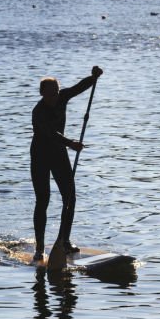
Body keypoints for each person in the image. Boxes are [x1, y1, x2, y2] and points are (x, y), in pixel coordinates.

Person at [30, 65, 103, 263]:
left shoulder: (62, 97)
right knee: (42, 200)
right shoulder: (38, 112)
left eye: (56, 92)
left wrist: (93, 77)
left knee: (70, 197)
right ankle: (39, 249)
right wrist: (70, 143)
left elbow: (79, 87)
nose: (55, 97)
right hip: (40, 156)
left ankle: (64, 240)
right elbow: (50, 134)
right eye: (50, 94)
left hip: (59, 154)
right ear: (42, 94)